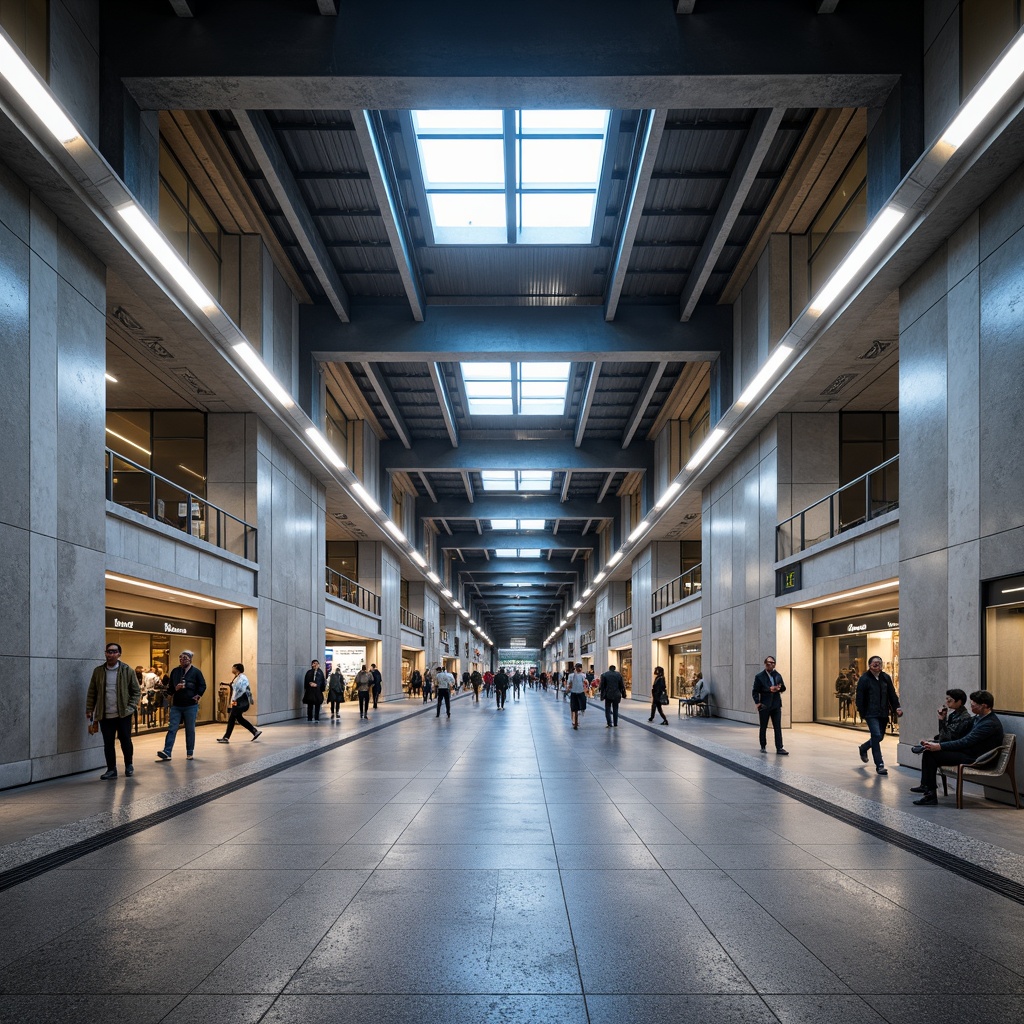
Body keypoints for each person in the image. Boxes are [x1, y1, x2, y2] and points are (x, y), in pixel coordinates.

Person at [911, 690, 1004, 805]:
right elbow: (958, 738)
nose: (971, 706)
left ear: (983, 706)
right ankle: (928, 789)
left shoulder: (989, 723)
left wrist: (940, 746)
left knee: (931, 754)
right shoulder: (978, 719)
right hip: (968, 752)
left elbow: (966, 741)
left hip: (976, 758)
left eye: (973, 705)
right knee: (929, 752)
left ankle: (929, 792)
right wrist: (936, 743)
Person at [86, 642, 141, 779]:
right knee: (108, 743)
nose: (110, 654)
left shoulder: (127, 670)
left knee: (125, 740)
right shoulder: (98, 671)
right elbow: (92, 691)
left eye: (113, 652)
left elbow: (136, 691)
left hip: (123, 714)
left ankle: (129, 765)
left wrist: (131, 707)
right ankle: (111, 770)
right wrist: (89, 709)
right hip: (105, 715)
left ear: (119, 654)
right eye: (108, 652)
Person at [157, 650, 207, 761]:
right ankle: (167, 751)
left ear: (190, 660)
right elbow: (170, 688)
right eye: (180, 658)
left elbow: (202, 685)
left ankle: (190, 752)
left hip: (190, 705)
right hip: (177, 705)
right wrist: (174, 690)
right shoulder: (175, 671)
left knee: (190, 729)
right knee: (172, 728)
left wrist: (198, 695)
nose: (182, 660)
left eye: (185, 658)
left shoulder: (196, 672)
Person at [855, 655, 902, 774]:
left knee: (879, 737)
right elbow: (859, 697)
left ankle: (864, 748)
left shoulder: (885, 678)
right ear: (869, 665)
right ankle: (879, 764)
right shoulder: (864, 679)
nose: (877, 665)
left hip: (883, 713)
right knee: (876, 735)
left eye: (879, 663)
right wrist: (862, 712)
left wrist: (897, 707)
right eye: (875, 663)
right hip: (870, 713)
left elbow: (892, 694)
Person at [752, 656, 788, 754]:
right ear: (765, 664)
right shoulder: (759, 676)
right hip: (764, 705)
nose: (771, 665)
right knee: (763, 726)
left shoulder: (777, 675)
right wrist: (758, 703)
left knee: (777, 726)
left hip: (776, 705)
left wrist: (779, 688)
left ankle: (779, 747)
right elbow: (755, 691)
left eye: (772, 663)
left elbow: (783, 688)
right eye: (768, 663)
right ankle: (763, 745)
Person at [217, 663, 261, 742]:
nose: (232, 669)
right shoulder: (238, 677)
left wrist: (234, 701)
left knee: (231, 719)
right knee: (239, 719)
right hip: (238, 702)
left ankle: (226, 738)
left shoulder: (242, 678)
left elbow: (241, 690)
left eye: (233, 667)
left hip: (239, 702)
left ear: (236, 668)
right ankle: (255, 731)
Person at [599, 663, 626, 728]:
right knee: (615, 709)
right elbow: (622, 685)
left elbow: (602, 686)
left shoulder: (604, 675)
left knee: (607, 709)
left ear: (609, 669)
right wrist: (623, 694)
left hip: (608, 694)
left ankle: (609, 723)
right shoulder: (618, 675)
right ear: (615, 669)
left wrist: (602, 695)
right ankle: (615, 723)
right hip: (616, 694)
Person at [567, 662, 588, 729]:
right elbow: (569, 684)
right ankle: (574, 721)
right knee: (574, 708)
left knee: (575, 707)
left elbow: (585, 683)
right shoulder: (572, 675)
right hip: (576, 692)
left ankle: (575, 721)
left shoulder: (582, 675)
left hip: (577, 692)